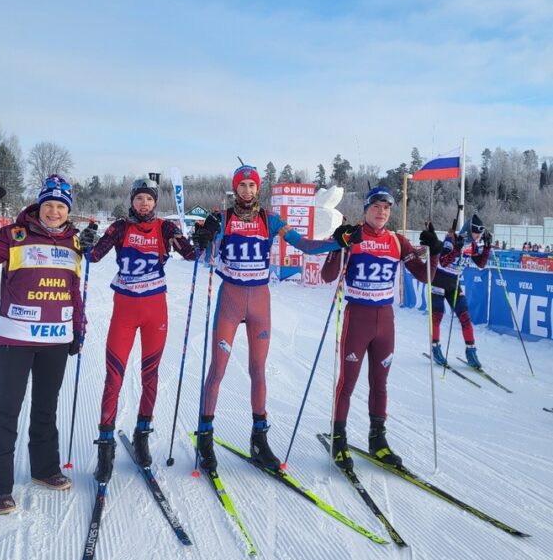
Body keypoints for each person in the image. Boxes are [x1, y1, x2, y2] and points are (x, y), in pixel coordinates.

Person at [193, 164, 341, 474]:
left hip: (259, 302)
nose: (247, 190)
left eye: (251, 185)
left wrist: (340, 241)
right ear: (235, 189)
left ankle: (259, 440)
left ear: (257, 188)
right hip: (230, 300)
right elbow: (201, 253)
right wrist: (201, 237)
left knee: (258, 369)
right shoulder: (221, 218)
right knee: (217, 369)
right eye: (242, 185)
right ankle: (205, 439)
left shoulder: (270, 220)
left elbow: (305, 245)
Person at [0, 176, 84, 514]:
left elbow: (74, 291)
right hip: (15, 338)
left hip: (55, 340)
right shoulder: (15, 236)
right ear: (39, 206)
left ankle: (45, 469)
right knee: (7, 411)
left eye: (61, 206)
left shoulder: (74, 243)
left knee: (46, 408)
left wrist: (78, 329)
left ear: (67, 210)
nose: (55, 211)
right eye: (49, 205)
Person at [79, 177, 201, 482]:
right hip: (125, 308)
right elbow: (93, 255)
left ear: (155, 202)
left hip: (154, 310)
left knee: (151, 375)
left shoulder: (166, 228)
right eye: (139, 199)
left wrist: (203, 238)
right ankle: (105, 448)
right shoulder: (120, 227)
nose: (143, 204)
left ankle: (142, 434)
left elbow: (191, 254)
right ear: (132, 201)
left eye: (148, 199)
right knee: (114, 376)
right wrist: (86, 240)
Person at [320, 187, 440, 472]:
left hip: (385, 321)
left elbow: (425, 277)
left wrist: (435, 252)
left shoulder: (397, 242)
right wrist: (338, 245)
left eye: (386, 208)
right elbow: (327, 276)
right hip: (358, 317)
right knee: (347, 383)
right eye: (376, 206)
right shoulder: (353, 236)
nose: (382, 212)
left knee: (380, 383)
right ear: (366, 209)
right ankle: (339, 440)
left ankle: (378, 441)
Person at [430, 213, 492, 370]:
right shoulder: (452, 239)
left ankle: (471, 351)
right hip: (439, 280)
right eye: (476, 232)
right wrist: (457, 248)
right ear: (469, 229)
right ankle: (435, 348)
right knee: (437, 316)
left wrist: (487, 247)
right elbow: (443, 262)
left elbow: (481, 264)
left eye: (480, 233)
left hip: (454, 283)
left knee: (465, 317)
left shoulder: (473, 245)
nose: (477, 236)